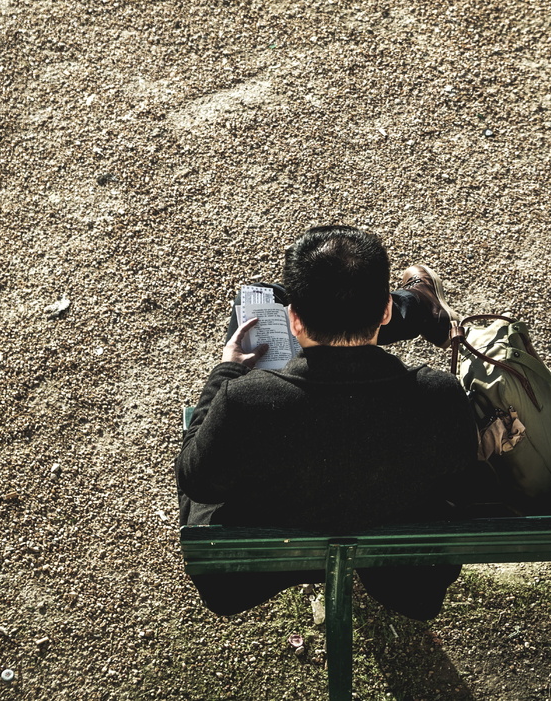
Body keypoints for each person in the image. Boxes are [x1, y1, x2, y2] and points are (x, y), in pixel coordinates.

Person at [176, 225, 479, 620]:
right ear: (386, 312)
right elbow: (462, 487)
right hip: (403, 571)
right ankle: (420, 305)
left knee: (202, 457)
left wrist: (226, 374)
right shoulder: (439, 394)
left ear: (293, 320)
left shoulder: (245, 401)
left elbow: (195, 479)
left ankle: (417, 306)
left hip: (258, 568)